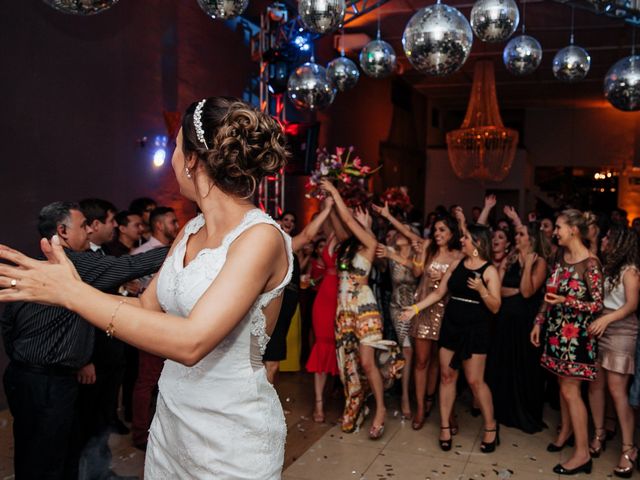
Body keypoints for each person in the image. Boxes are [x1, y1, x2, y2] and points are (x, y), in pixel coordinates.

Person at [0, 97, 292, 478]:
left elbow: (192, 341)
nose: (171, 158)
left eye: (174, 146)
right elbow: (145, 308)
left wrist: (76, 294)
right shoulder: (189, 231)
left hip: (230, 434)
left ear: (191, 159)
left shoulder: (260, 238)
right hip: (173, 424)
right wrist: (65, 290)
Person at [0, 201, 168, 480]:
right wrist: (185, 248)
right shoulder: (74, 264)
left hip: (22, 375)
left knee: (36, 451)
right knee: (48, 457)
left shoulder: (39, 265)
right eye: (82, 227)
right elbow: (130, 265)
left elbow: (7, 325)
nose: (88, 233)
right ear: (62, 231)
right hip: (48, 383)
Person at [401, 218, 501, 454]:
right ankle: (444, 426)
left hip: (476, 328)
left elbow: (496, 306)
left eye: (466, 238)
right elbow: (439, 292)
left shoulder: (489, 270)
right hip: (452, 324)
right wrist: (415, 309)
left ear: (477, 242)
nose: (462, 240)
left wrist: (482, 290)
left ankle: (490, 426)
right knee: (447, 376)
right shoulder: (457, 264)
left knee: (475, 381)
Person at [321, 179, 403, 439]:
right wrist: (329, 203)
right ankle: (355, 403)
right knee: (349, 364)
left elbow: (346, 222)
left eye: (359, 216)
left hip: (364, 308)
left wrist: (336, 193)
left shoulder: (370, 243)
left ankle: (380, 409)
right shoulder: (347, 245)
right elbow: (336, 222)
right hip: (343, 309)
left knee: (367, 362)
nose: (354, 218)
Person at [530, 209, 604, 476]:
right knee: (563, 388)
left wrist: (566, 301)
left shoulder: (591, 264)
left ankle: (583, 454)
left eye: (558, 227)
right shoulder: (561, 257)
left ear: (573, 229)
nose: (554, 232)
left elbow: (597, 305)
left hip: (578, 336)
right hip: (556, 330)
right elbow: (549, 293)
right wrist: (539, 321)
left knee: (571, 391)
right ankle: (565, 432)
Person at [587, 226, 640, 478]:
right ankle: (599, 433)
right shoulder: (608, 268)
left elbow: (631, 305)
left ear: (620, 242)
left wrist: (606, 320)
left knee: (617, 390)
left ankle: (629, 448)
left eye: (609, 237)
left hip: (621, 329)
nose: (605, 240)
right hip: (601, 326)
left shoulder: (631, 271)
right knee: (595, 384)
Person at [487, 221, 548, 433]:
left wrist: (528, 265)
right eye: (516, 234)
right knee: (504, 363)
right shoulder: (509, 258)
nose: (516, 238)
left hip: (526, 323)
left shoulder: (539, 262)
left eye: (521, 234)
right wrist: (513, 291)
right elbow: (498, 288)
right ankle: (503, 410)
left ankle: (525, 414)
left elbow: (528, 292)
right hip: (505, 319)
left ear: (531, 238)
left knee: (525, 367)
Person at [265, 202, 333, 383]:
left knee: (272, 363)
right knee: (271, 364)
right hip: (276, 309)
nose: (288, 223)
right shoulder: (278, 244)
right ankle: (265, 408)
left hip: (286, 308)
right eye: (284, 220)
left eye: (291, 221)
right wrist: (326, 209)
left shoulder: (288, 247)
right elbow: (308, 235)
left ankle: (268, 404)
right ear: (277, 222)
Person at [130, 206, 179, 450]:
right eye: (173, 222)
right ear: (159, 225)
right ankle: (141, 434)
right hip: (151, 325)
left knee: (171, 380)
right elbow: (131, 288)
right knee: (147, 381)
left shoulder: (179, 252)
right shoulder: (141, 253)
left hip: (176, 326)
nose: (177, 225)